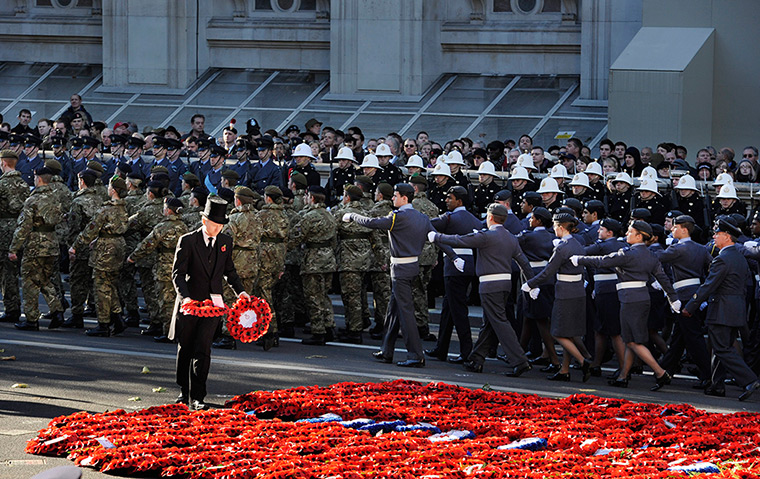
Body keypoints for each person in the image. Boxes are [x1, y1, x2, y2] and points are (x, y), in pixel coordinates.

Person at [343, 183, 458, 367]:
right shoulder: (421, 217)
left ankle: (415, 355)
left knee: (405, 313)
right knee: (393, 311)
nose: (393, 198)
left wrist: (352, 215)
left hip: (401, 270)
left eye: (395, 195)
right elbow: (437, 238)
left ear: (405, 198)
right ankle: (387, 351)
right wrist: (453, 256)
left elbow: (371, 223)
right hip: (411, 267)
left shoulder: (398, 217)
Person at [572, 220, 681, 391]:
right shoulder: (650, 255)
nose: (626, 235)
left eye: (630, 232)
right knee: (630, 339)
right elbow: (663, 279)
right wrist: (673, 298)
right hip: (642, 299)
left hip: (630, 299)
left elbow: (602, 261)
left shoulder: (628, 254)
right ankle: (623, 376)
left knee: (634, 342)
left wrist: (579, 259)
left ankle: (660, 372)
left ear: (639, 236)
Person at [431, 203, 536, 376]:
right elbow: (523, 262)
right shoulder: (510, 237)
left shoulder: (486, 236)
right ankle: (476, 359)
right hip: (505, 284)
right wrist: (532, 282)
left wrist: (437, 237)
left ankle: (519, 360)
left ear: (490, 217)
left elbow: (459, 240)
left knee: (499, 322)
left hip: (490, 285)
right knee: (490, 323)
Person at [169, 196, 251, 411]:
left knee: (203, 349)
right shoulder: (187, 241)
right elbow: (178, 274)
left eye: (221, 225)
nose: (218, 229)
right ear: (204, 221)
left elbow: (229, 271)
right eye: (214, 224)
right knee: (185, 348)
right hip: (190, 304)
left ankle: (198, 396)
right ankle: (183, 391)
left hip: (213, 306)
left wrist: (240, 291)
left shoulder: (225, 242)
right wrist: (185, 297)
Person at [523, 212, 590, 382]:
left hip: (565, 292)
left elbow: (548, 272)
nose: (553, 229)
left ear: (560, 227)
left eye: (554, 226)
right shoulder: (578, 243)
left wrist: (530, 283)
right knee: (568, 332)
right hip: (577, 291)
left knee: (558, 332)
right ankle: (564, 370)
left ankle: (583, 361)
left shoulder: (562, 247)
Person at [698, 217, 760, 401]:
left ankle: (748, 379)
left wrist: (692, 304)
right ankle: (717, 385)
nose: (714, 237)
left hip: (722, 310)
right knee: (721, 347)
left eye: (717, 234)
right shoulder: (740, 258)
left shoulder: (723, 259)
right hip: (736, 309)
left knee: (722, 348)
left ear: (726, 236)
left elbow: (708, 286)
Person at [655, 215, 712, 387]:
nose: (672, 230)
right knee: (680, 336)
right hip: (695, 292)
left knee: (693, 337)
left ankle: (707, 375)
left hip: (683, 294)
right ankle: (665, 370)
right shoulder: (702, 249)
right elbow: (711, 269)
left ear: (684, 229)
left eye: (675, 227)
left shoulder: (677, 248)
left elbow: (658, 257)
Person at [426, 186, 482, 363]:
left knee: (458, 311)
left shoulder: (449, 218)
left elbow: (428, 224)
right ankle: (441, 348)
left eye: (450, 198)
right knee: (448, 309)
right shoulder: (474, 219)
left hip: (453, 267)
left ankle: (467, 352)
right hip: (470, 265)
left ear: (459, 201)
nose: (446, 200)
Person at [70, 176, 130, 337]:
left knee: (101, 287)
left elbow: (90, 230)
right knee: (110, 284)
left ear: (114, 190)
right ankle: (117, 318)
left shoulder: (105, 209)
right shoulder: (123, 207)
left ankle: (103, 323)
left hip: (105, 249)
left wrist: (75, 247)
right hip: (119, 246)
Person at [9, 167, 66, 330]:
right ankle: (57, 310)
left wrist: (14, 248)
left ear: (38, 179)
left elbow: (24, 227)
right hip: (52, 243)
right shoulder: (55, 197)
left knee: (30, 282)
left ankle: (31, 319)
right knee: (45, 279)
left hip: (35, 244)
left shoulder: (32, 200)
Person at [128, 197, 188, 341]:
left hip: (164, 265)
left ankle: (169, 332)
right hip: (179, 265)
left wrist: (132, 257)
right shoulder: (183, 226)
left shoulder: (163, 227)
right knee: (175, 299)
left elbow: (147, 245)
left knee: (165, 300)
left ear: (168, 211)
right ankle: (176, 329)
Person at [295, 186, 338, 345]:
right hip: (328, 260)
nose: (305, 199)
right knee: (324, 295)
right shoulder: (330, 215)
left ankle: (318, 331)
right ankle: (329, 326)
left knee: (313, 296)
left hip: (313, 260)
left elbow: (297, 237)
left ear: (311, 198)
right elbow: (334, 240)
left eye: (307, 196)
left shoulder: (309, 217)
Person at [0, 150, 30, 324]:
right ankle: (14, 307)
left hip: (3, 229)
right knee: (12, 270)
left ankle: (11, 308)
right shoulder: (24, 184)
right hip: (19, 230)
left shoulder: (2, 184)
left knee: (6, 272)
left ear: (3, 163)